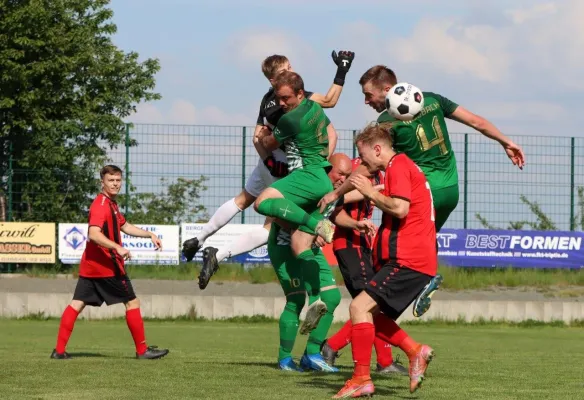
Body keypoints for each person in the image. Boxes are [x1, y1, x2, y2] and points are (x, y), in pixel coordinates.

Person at [320, 65, 526, 317]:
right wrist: (507, 142)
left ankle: (384, 301)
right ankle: (424, 281)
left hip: (422, 195)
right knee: (424, 244)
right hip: (450, 192)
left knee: (387, 249)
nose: (366, 101)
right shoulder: (432, 100)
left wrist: (336, 193)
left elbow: (367, 167)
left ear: (387, 90)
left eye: (368, 94)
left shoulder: (387, 122)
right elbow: (476, 121)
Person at [182, 51, 354, 290]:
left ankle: (199, 238)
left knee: (241, 200)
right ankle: (219, 254)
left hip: (269, 163)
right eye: (285, 70)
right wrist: (342, 71)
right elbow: (329, 108)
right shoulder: (291, 101)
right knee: (272, 225)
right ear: (274, 80)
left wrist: (267, 160)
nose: (291, 71)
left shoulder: (267, 100)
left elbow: (256, 137)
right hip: (288, 167)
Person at [332, 123, 437, 398]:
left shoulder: (399, 165)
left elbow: (400, 208)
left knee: (358, 308)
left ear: (377, 149)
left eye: (363, 156)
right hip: (411, 259)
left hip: (408, 259)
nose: (362, 162)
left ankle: (361, 379)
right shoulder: (398, 168)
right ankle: (415, 352)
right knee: (371, 316)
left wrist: (369, 193)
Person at [50, 165, 169, 360]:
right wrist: (117, 248)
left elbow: (124, 225)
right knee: (132, 302)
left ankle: (59, 351)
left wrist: (149, 234)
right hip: (107, 267)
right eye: (111, 180)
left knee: (77, 303)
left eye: (118, 180)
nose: (115, 184)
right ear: (102, 182)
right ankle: (142, 351)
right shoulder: (101, 205)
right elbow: (93, 234)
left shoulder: (111, 204)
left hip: (91, 266)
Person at [252, 70, 339, 333]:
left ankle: (316, 224)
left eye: (285, 98)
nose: (281, 103)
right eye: (278, 98)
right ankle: (317, 299)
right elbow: (331, 132)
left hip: (307, 176)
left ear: (300, 94)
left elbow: (268, 142)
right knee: (300, 243)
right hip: (321, 175)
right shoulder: (314, 107)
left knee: (261, 203)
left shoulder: (291, 119)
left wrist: (264, 133)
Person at [321, 157, 408, 376]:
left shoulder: (384, 171)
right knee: (370, 305)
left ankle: (382, 360)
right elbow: (336, 204)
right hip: (349, 244)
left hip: (363, 245)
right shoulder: (359, 168)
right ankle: (334, 347)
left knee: (373, 305)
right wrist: (371, 192)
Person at [271, 152, 352, 373]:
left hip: (311, 250)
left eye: (347, 176)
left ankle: (312, 355)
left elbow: (342, 206)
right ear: (328, 169)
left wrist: (356, 223)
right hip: (284, 247)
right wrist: (300, 229)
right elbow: (274, 214)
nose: (342, 179)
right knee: (296, 302)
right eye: (340, 173)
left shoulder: (333, 192)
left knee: (332, 298)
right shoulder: (310, 186)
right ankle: (285, 359)